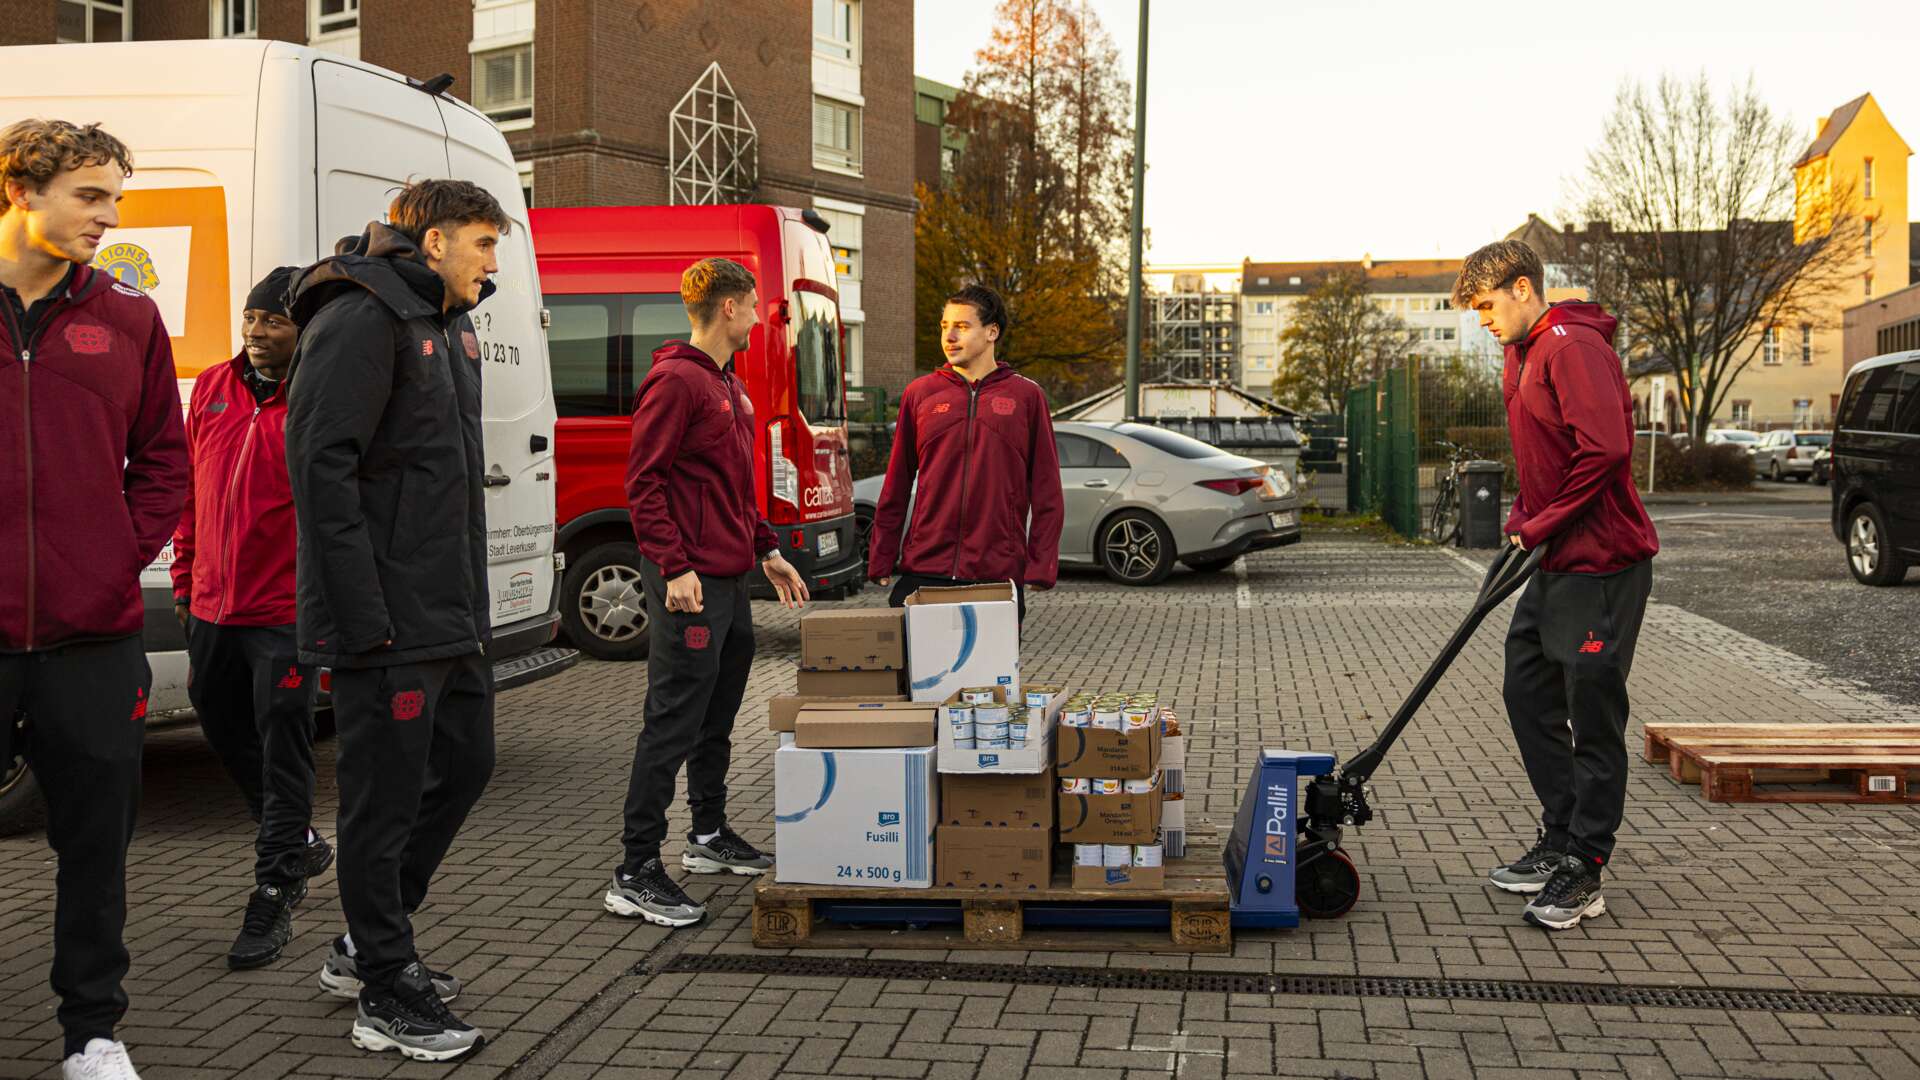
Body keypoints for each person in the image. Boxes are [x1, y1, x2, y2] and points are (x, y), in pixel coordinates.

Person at [285, 179, 508, 1061]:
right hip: (386, 622)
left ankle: (368, 939)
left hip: (449, 612)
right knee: (378, 809)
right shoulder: (360, 317)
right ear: (439, 239)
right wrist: (362, 616)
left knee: (468, 764)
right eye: (486, 243)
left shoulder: (450, 325)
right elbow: (320, 470)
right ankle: (384, 985)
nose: (495, 263)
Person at [0, 119, 188, 1080]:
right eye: (89, 195)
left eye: (116, 196)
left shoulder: (126, 317)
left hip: (93, 636)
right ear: (20, 192)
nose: (109, 217)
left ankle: (92, 1033)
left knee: (94, 852)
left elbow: (165, 461)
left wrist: (118, 555)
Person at [1452, 240, 1659, 931]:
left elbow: (1606, 450)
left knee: (1593, 710)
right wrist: (1523, 515)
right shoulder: (1523, 352)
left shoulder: (1570, 347)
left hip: (1604, 563)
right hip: (1557, 560)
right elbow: (1547, 457)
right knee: (1527, 688)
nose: (1482, 320)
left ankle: (1586, 866)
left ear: (1521, 287)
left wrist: (1541, 520)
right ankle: (1560, 837)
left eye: (1485, 305)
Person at [606, 257, 810, 928]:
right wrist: (672, 566)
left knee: (716, 718)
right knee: (672, 723)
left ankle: (707, 835)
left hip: (730, 579)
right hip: (691, 584)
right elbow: (645, 483)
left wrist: (768, 549)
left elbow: (730, 487)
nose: (757, 316)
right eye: (753, 305)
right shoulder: (676, 383)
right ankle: (635, 869)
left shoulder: (728, 385)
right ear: (729, 308)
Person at [171, 266, 335, 971]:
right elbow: (189, 486)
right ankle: (294, 837)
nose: (256, 333)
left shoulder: (321, 396)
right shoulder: (212, 386)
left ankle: (274, 886)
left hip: (284, 612)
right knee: (220, 721)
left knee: (283, 740)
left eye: (272, 321)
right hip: (211, 601)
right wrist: (185, 576)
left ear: (303, 329)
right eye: (250, 319)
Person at [865, 284, 1064, 620]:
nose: (950, 336)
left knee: (989, 675)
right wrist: (882, 555)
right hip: (925, 566)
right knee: (918, 673)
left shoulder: (1026, 397)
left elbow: (1046, 489)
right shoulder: (920, 394)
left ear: (992, 332)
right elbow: (897, 483)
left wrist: (1040, 564)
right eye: (945, 326)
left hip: (997, 570)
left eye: (962, 326)